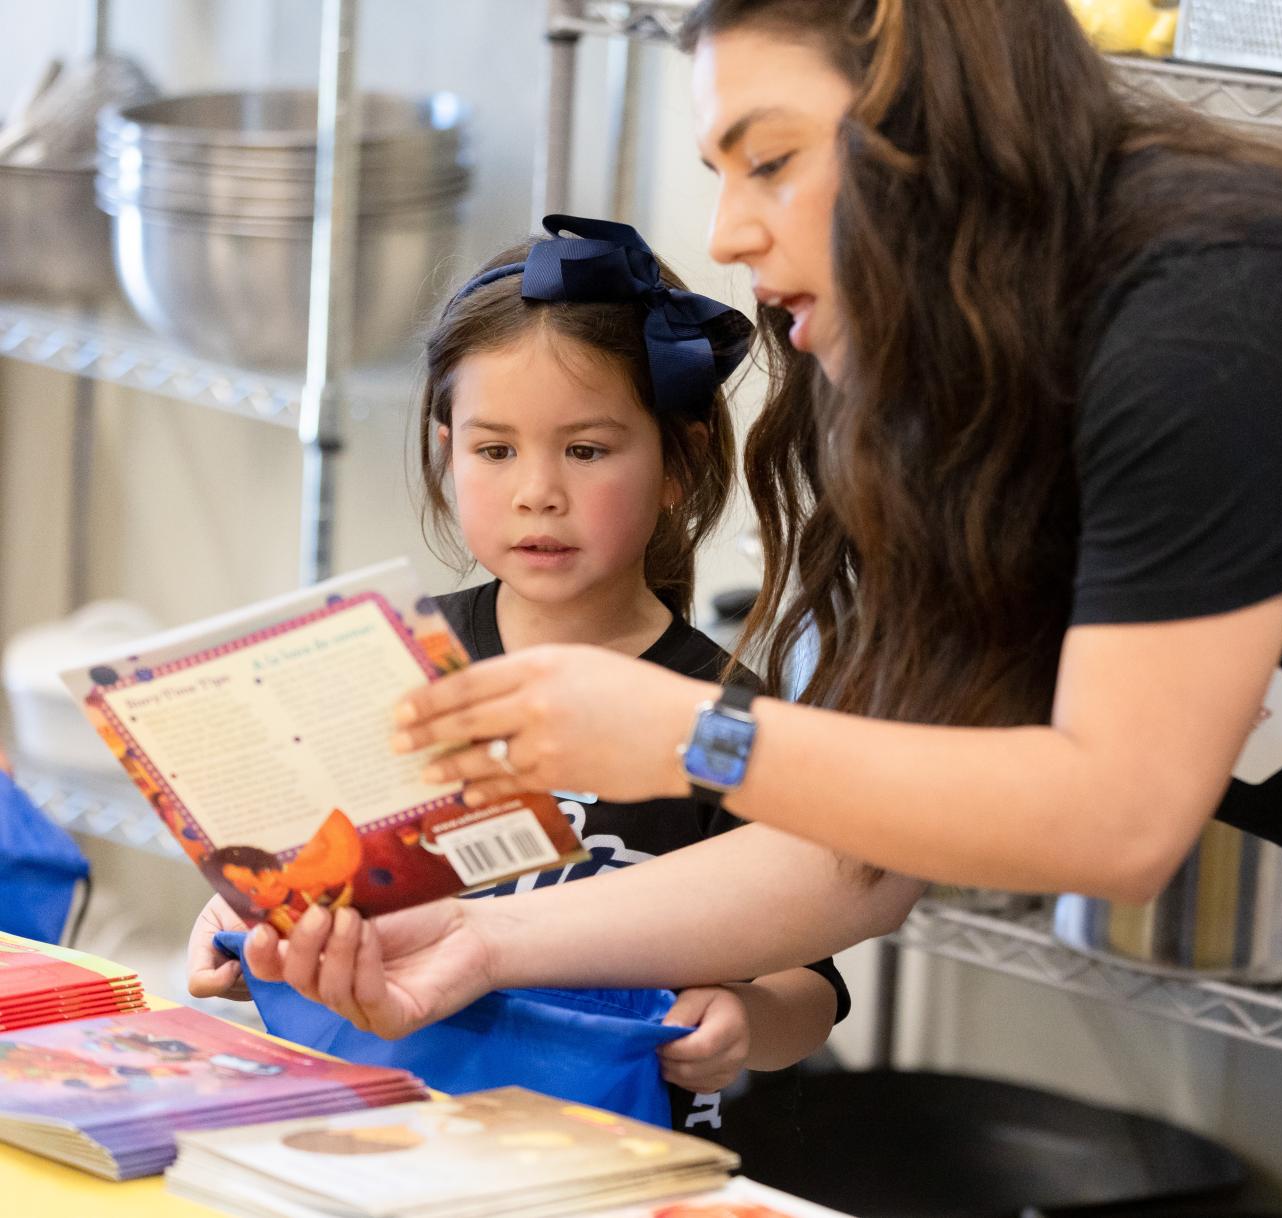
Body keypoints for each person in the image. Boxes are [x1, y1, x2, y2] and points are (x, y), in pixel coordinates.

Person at [195, 1, 1282, 1211]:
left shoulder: (1214, 324)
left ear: (930, 127)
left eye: (771, 162)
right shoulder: (972, 387)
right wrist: (476, 944)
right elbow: (855, 864)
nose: (730, 230)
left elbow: (1118, 816)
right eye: (719, 169)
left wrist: (704, 736)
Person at [188, 215, 849, 1134]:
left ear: (677, 462)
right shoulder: (395, 664)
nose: (538, 490)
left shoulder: (724, 715)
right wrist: (239, 927)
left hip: (607, 1155)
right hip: (383, 1136)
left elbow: (806, 984)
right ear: (446, 452)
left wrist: (746, 1021)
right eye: (494, 450)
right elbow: (306, 868)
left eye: (585, 450)